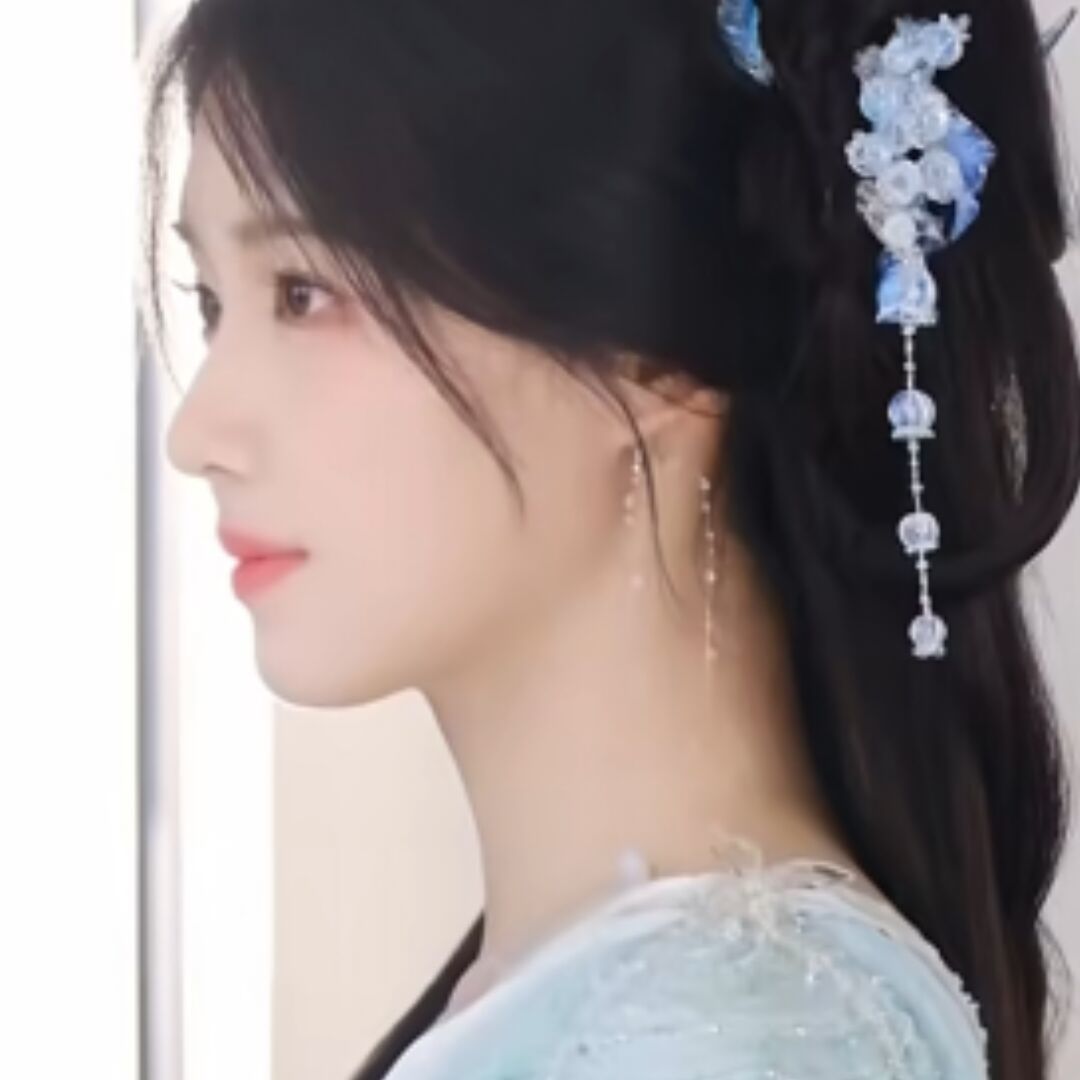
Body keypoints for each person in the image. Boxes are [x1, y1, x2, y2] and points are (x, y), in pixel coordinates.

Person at [139, 1, 1079, 1077]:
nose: (197, 435)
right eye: (212, 304)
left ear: (652, 357)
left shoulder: (733, 1041)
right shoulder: (654, 1002)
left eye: (303, 293)